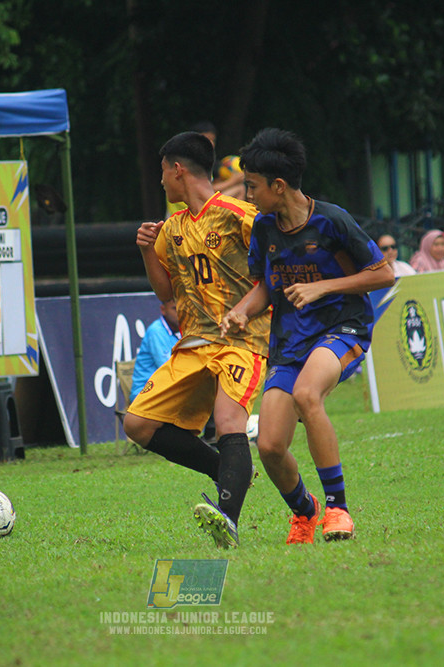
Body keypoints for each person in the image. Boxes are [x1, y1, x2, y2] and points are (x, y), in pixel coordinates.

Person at [222, 128, 395, 545]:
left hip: (342, 327)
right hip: (290, 340)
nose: (248, 195)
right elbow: (266, 287)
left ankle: (338, 509)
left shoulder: (332, 221)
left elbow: (384, 274)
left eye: (252, 186)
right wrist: (241, 311)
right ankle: (306, 511)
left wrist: (322, 287)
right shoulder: (264, 228)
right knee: (269, 446)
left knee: (306, 394)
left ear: (279, 186)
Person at [125, 131, 271, 548]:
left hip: (243, 341)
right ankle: (226, 470)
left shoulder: (239, 215)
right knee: (137, 424)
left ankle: (228, 518)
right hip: (193, 345)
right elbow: (165, 292)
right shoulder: (171, 228)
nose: (160, 182)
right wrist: (147, 250)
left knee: (228, 421)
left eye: (162, 172)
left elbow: (274, 270)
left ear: (177, 170)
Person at [130, 298, 180, 403]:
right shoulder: (156, 331)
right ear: (163, 310)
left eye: (182, 308)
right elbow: (169, 370)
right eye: (174, 309)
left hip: (166, 392)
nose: (179, 313)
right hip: (144, 394)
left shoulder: (182, 331)